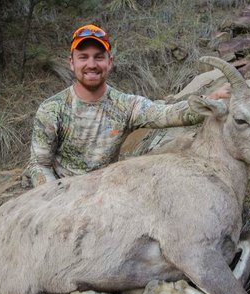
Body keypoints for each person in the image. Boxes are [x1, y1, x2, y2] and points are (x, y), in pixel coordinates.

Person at [27, 24, 230, 187]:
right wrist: (56, 200)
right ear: (71, 63)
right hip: (61, 195)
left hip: (105, 193)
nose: (91, 64)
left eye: (99, 57)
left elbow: (168, 113)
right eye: (83, 57)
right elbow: (39, 165)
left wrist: (210, 99)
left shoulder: (126, 105)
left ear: (110, 62)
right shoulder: (51, 109)